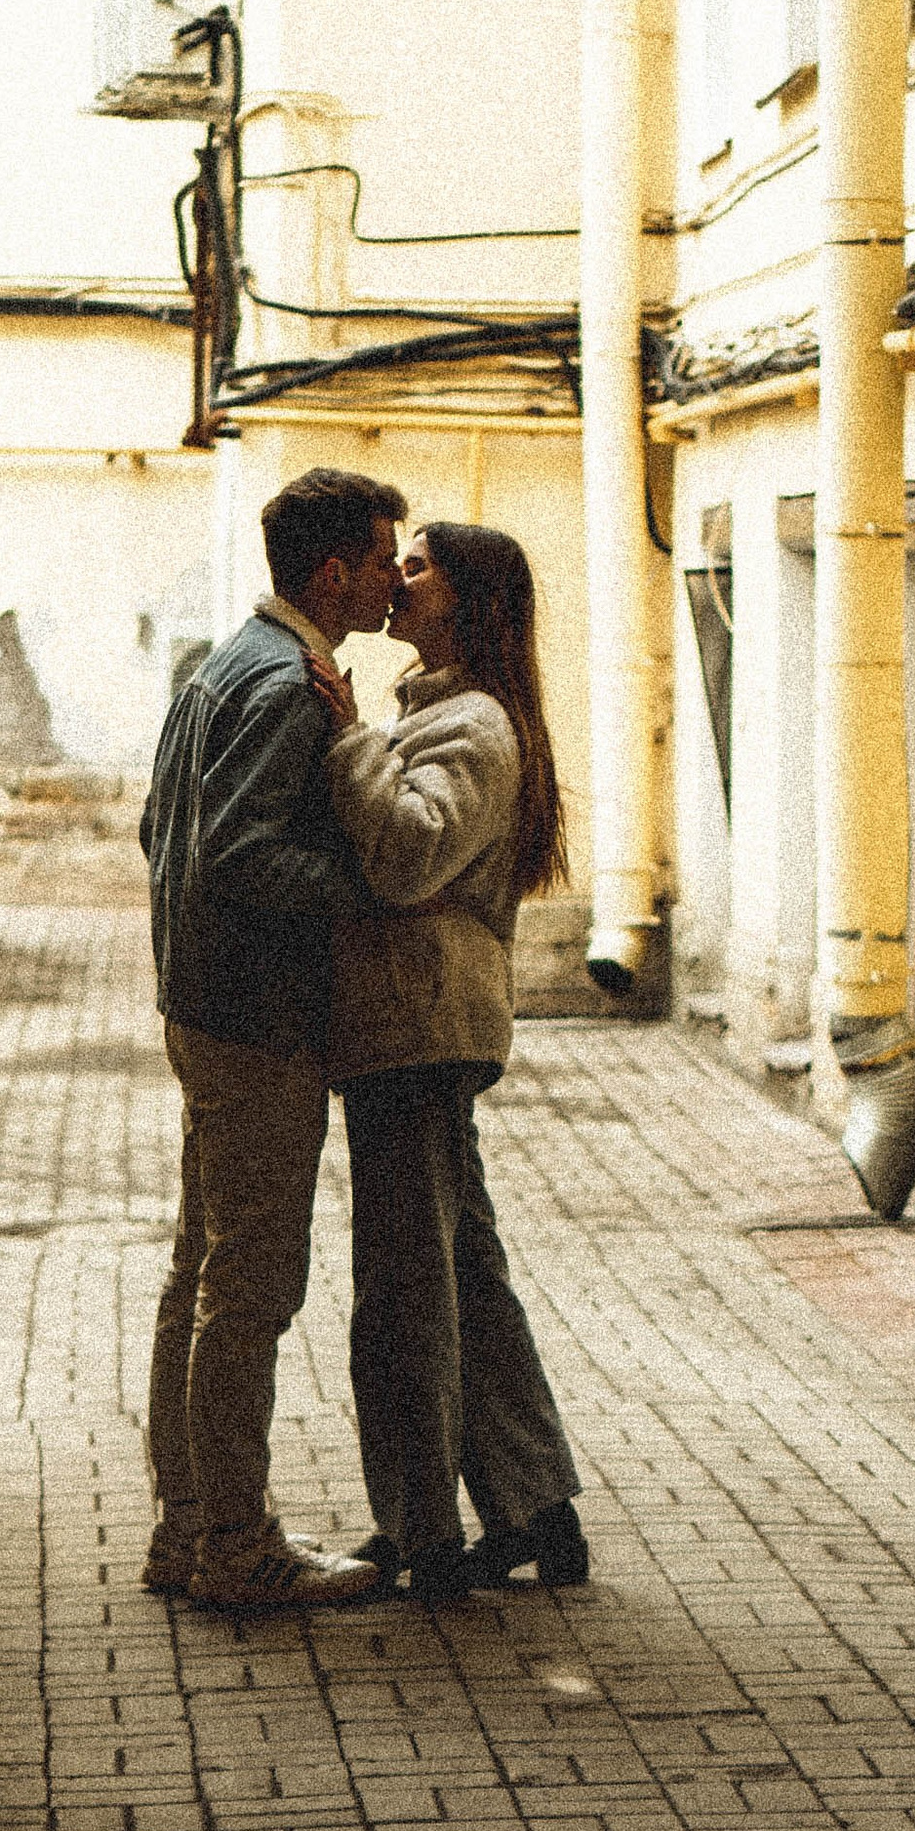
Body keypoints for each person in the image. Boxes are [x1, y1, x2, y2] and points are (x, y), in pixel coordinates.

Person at [139, 462, 406, 1608]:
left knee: (199, 1273)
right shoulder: (292, 684)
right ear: (335, 571)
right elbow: (242, 856)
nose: (397, 580)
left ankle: (188, 1529)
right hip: (258, 1021)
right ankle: (237, 1551)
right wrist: (369, 884)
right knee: (248, 1288)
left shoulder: (219, 664)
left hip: (202, 1008)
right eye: (386, 560)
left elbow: (161, 829)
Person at [322, 519, 588, 1600]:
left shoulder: (471, 727)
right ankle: (537, 1513)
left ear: (464, 601)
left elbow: (403, 856)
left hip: (416, 1031)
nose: (395, 579)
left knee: (404, 1292)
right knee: (463, 1280)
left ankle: (421, 1529)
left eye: (416, 568)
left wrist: (345, 743)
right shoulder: (444, 713)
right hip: (417, 1025)